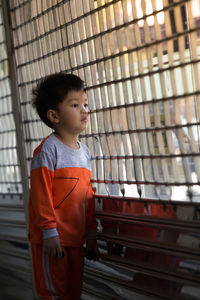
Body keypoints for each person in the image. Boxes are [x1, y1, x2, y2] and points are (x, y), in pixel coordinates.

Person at [28, 73, 99, 300]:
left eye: (85, 104)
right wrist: (49, 233)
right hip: (53, 241)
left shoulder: (85, 152)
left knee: (72, 293)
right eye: (75, 104)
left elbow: (87, 195)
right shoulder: (47, 151)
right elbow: (41, 196)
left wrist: (91, 234)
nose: (84, 110)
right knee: (53, 295)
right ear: (54, 115)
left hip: (76, 241)